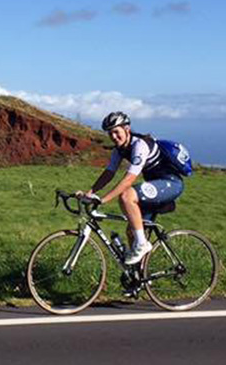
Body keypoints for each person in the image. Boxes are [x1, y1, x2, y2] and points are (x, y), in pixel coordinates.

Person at [79, 111, 186, 265]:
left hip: (171, 183)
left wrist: (103, 200)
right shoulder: (118, 150)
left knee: (127, 196)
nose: (114, 137)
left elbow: (129, 179)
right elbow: (109, 173)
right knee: (132, 231)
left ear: (127, 129)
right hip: (154, 187)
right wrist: (90, 193)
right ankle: (138, 278)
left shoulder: (139, 145)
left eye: (116, 132)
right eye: (110, 134)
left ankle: (143, 244)